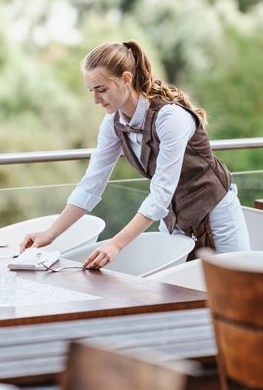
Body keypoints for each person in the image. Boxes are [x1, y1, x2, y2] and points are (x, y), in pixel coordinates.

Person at [21, 40, 249, 269]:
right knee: (175, 287)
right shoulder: (113, 123)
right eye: (92, 90)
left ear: (126, 78)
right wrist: (50, 234)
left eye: (102, 89)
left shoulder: (170, 118)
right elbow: (91, 184)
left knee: (237, 285)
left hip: (216, 212)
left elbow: (161, 192)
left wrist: (116, 244)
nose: (96, 99)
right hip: (174, 219)